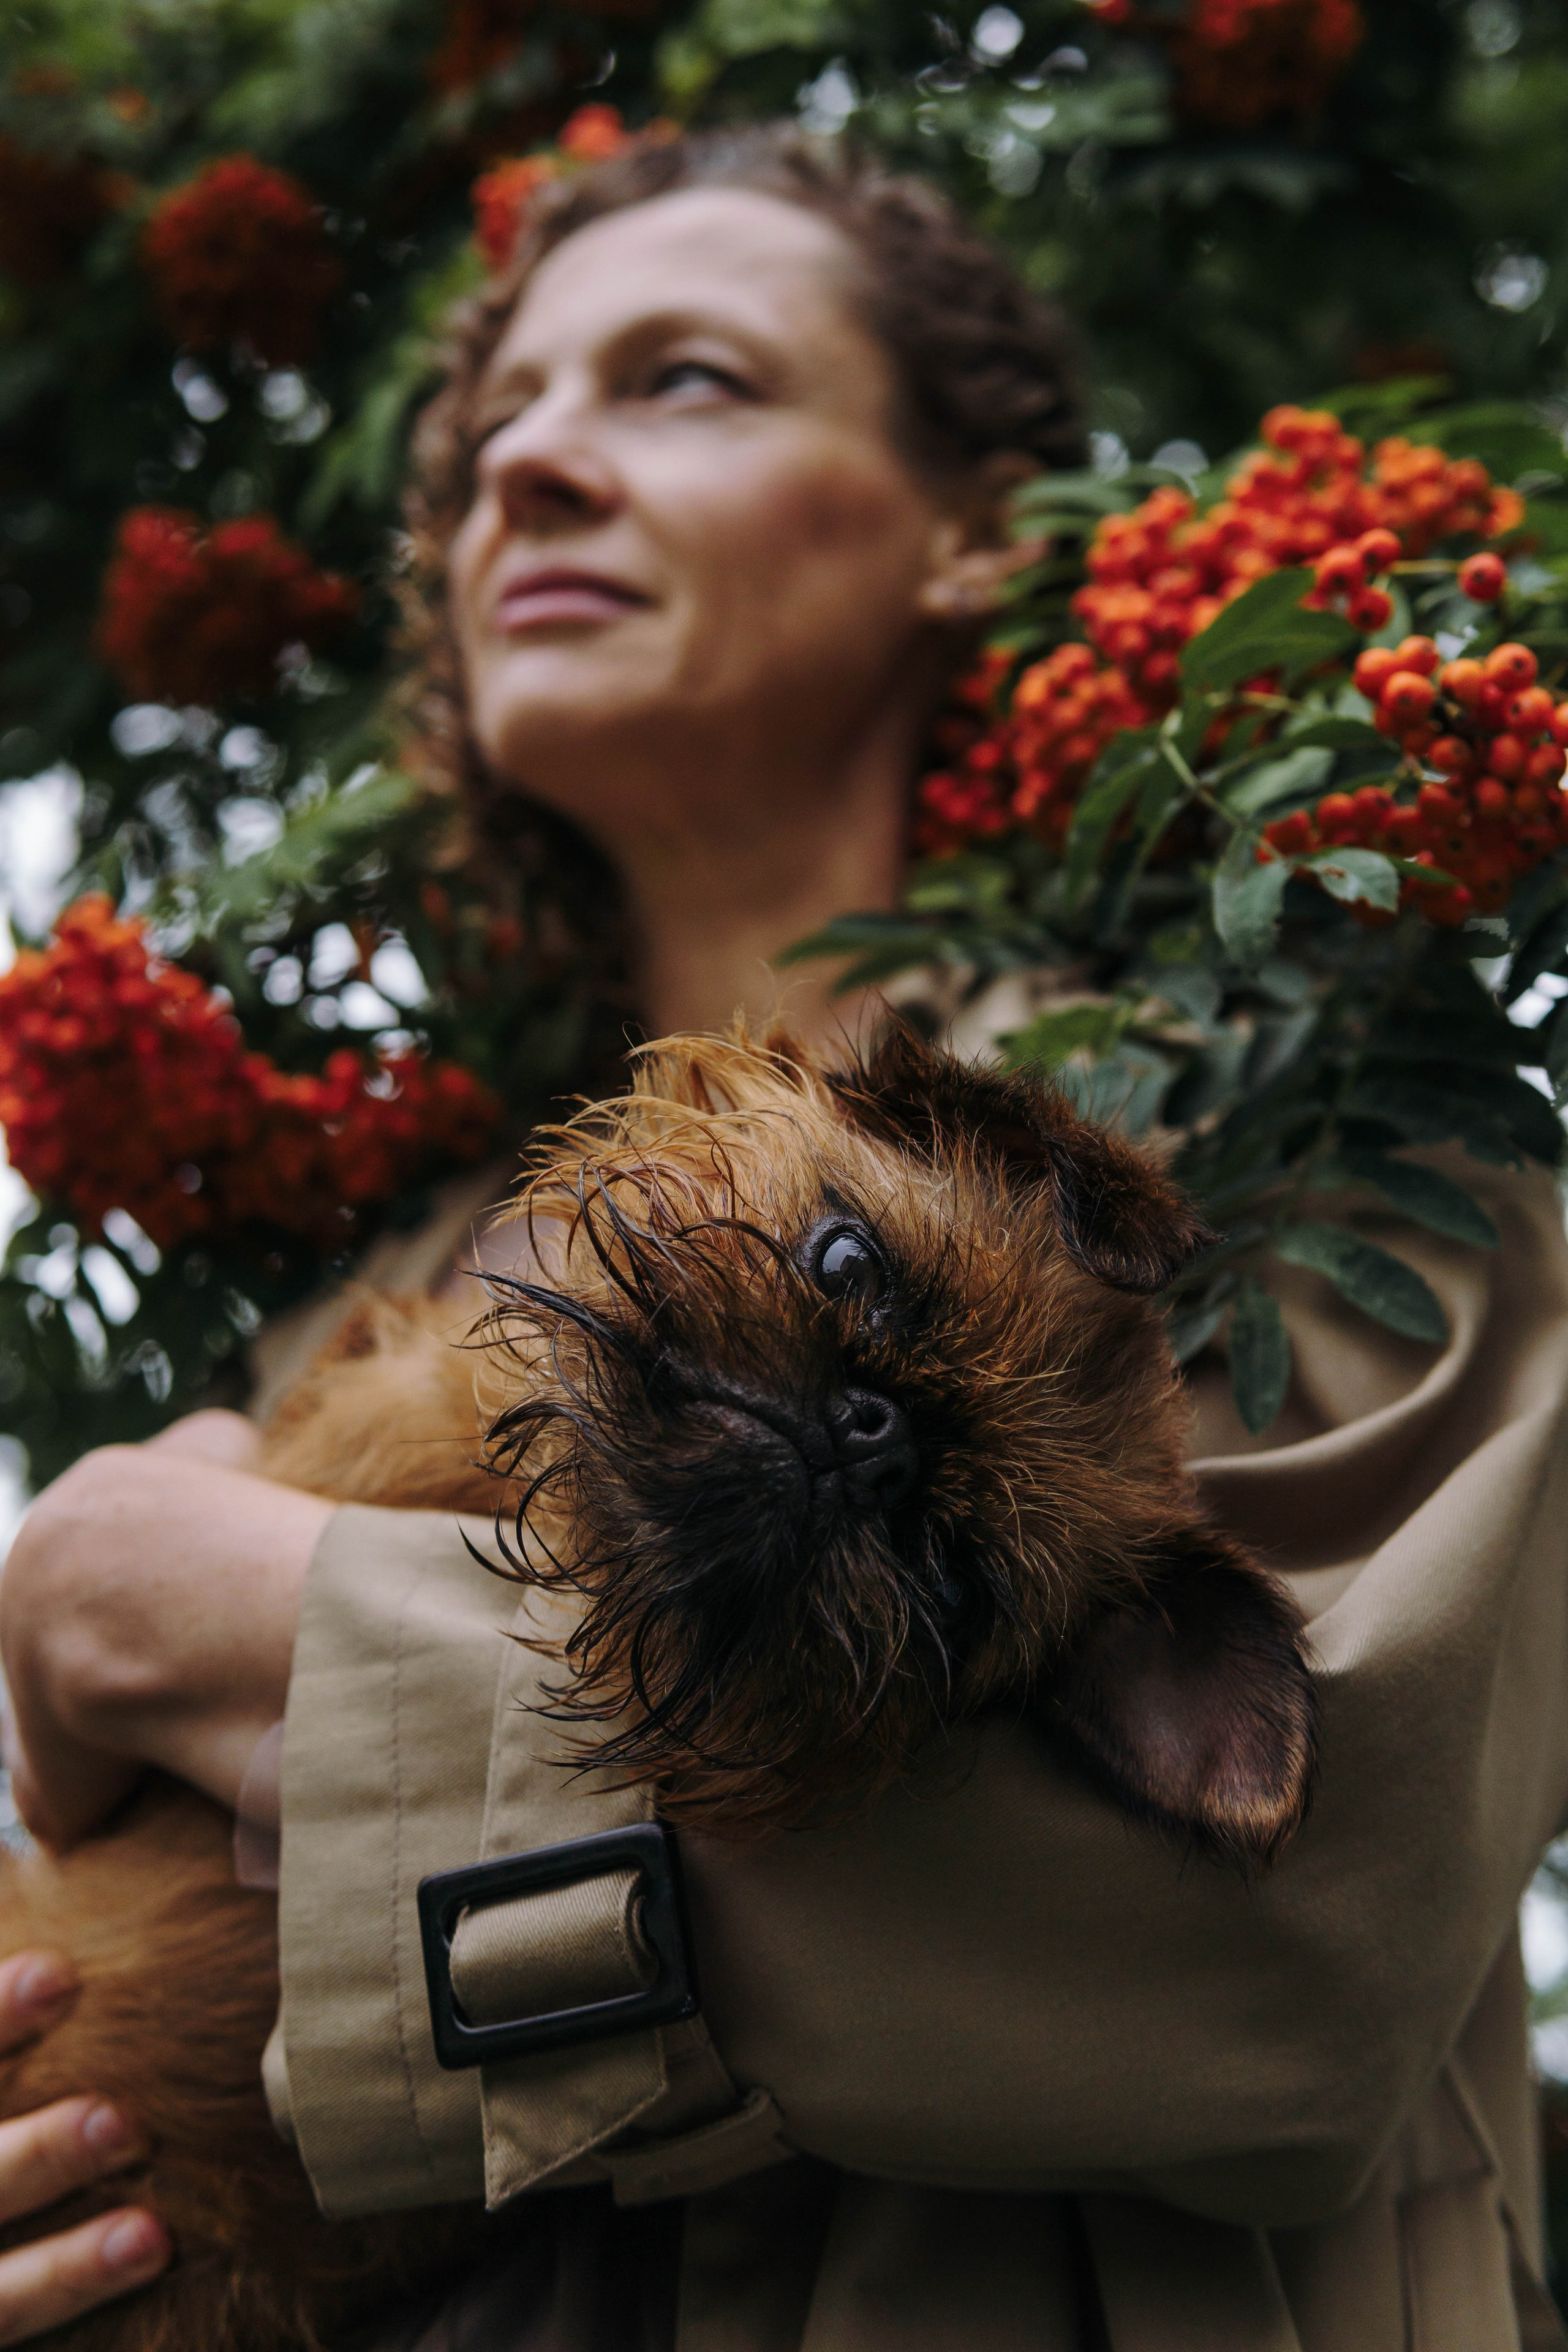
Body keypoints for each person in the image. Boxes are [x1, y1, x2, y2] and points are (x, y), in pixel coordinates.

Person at [2, 124, 1567, 2351]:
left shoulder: (1297, 1091)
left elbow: (1269, 1975)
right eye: (505, 418)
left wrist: (243, 1611)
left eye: (688, 382)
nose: (535, 470)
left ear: (972, 541)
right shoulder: (388, 1270)